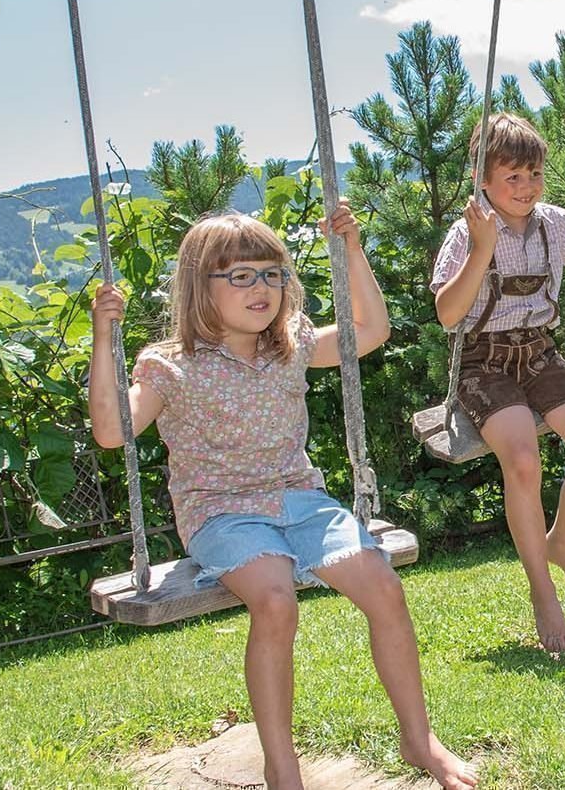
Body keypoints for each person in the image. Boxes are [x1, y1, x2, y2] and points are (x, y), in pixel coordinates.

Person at [91, 204, 475, 790]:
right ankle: (282, 766)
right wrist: (103, 337)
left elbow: (370, 332)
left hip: (298, 500)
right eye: (240, 275)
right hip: (220, 511)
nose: (261, 287)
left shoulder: (289, 343)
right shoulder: (168, 366)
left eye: (271, 273)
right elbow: (113, 431)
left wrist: (350, 249)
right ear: (201, 285)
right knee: (275, 600)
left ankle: (418, 739)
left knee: (383, 585)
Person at [431, 112, 565, 653]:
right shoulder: (467, 232)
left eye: (534, 175)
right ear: (484, 180)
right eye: (512, 177)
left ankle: (561, 540)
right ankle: (543, 595)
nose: (526, 188)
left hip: (539, 353)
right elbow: (449, 314)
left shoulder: (551, 224)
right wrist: (480, 248)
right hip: (484, 363)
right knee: (522, 459)